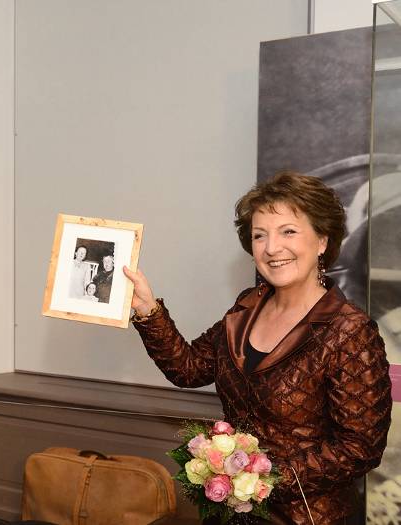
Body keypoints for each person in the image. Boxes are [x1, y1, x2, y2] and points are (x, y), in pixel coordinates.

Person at [123, 171, 392, 525]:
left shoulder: (349, 330)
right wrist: (147, 310)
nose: (272, 248)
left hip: (308, 516)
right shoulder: (247, 307)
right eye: (259, 236)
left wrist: (262, 478)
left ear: (323, 240)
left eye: (289, 232)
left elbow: (360, 448)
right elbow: (188, 369)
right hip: (232, 513)